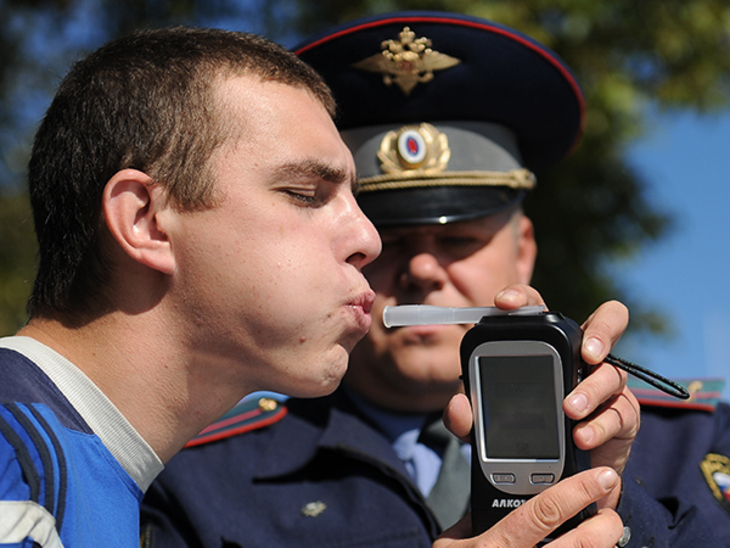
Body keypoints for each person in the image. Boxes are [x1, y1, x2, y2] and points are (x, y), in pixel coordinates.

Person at [138, 13, 639, 548]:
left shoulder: (678, 445)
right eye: (390, 239)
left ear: (524, 252)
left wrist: (618, 504)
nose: (422, 269)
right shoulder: (200, 484)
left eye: (458, 241)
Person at [0, 26, 383, 546]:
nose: (368, 239)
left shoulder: (65, 472)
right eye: (306, 193)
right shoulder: (13, 470)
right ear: (146, 221)